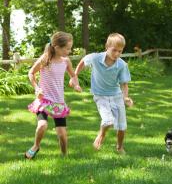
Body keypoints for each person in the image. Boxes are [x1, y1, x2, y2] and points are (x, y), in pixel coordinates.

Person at [73, 33, 133, 154]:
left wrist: (125, 97)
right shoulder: (95, 58)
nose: (117, 54)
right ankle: (101, 135)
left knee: (122, 126)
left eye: (120, 51)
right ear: (107, 46)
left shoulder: (122, 65)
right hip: (100, 95)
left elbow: (124, 84)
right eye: (114, 50)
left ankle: (120, 147)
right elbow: (83, 62)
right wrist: (74, 77)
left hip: (116, 96)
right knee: (108, 121)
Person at [25, 31, 81, 159]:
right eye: (67, 48)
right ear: (56, 47)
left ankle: (64, 155)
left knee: (62, 134)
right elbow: (31, 73)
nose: (69, 51)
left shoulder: (66, 61)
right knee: (42, 125)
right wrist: (36, 88)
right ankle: (36, 146)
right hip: (44, 100)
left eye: (70, 48)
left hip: (58, 102)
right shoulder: (45, 59)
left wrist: (75, 84)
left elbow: (73, 75)